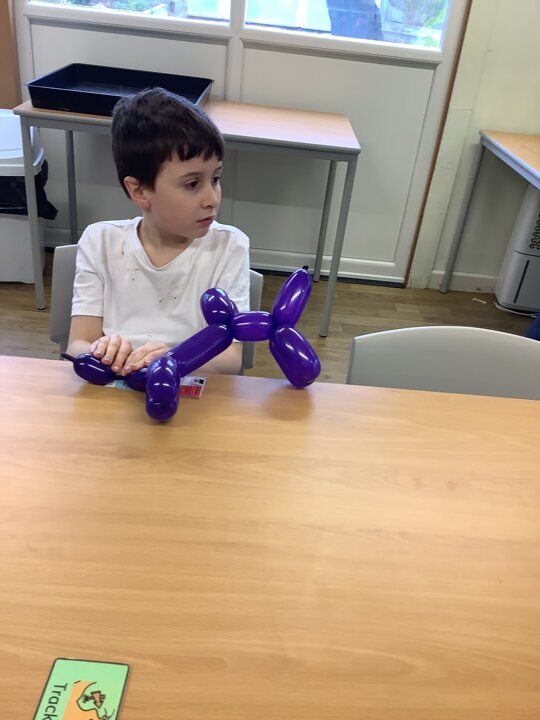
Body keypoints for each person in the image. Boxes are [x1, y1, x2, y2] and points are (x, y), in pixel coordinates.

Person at [66, 87, 250, 376]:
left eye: (215, 179)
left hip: (186, 387)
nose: (212, 199)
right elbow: (78, 344)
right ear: (139, 191)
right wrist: (100, 351)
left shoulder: (229, 246)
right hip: (115, 385)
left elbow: (230, 358)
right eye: (192, 184)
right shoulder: (100, 241)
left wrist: (175, 361)